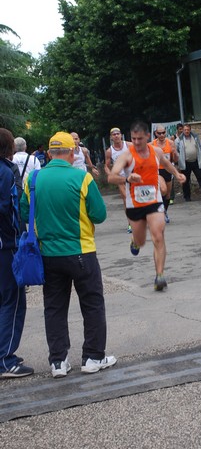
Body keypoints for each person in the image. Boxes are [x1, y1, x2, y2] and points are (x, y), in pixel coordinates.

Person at [20, 132, 116, 379]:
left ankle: (58, 362)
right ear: (72, 153)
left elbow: (23, 213)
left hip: (48, 255)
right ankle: (93, 357)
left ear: (50, 154)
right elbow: (99, 215)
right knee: (92, 304)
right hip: (81, 251)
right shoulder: (82, 178)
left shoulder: (33, 179)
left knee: (54, 307)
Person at [108, 120, 186, 291]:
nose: (136, 142)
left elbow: (167, 165)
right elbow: (111, 177)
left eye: (139, 139)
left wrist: (178, 174)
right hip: (134, 203)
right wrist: (127, 178)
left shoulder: (156, 151)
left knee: (158, 235)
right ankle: (135, 242)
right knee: (141, 241)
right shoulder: (127, 155)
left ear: (147, 137)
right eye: (133, 138)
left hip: (154, 200)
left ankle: (159, 276)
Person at [0, 128, 34, 378]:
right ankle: (5, 358)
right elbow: (10, 209)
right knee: (13, 301)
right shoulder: (5, 172)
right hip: (6, 245)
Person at [104, 127, 131, 231]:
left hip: (132, 175)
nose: (116, 136)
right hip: (120, 177)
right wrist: (110, 174)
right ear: (111, 137)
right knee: (126, 199)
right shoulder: (109, 151)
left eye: (118, 134)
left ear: (121, 135)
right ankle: (130, 223)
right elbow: (106, 166)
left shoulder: (129, 145)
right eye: (114, 134)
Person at [176, 123, 201, 201]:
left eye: (188, 130)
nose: (186, 131)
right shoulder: (179, 139)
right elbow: (176, 150)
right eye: (185, 130)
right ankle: (187, 197)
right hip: (186, 163)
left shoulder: (195, 137)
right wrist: (179, 161)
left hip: (195, 161)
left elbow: (200, 146)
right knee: (186, 180)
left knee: (200, 178)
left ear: (190, 130)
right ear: (183, 130)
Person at [152, 124, 178, 222]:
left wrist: (175, 153)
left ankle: (164, 212)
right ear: (156, 133)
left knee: (167, 194)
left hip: (168, 170)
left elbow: (175, 160)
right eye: (159, 133)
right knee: (163, 189)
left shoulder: (171, 143)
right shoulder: (152, 144)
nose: (162, 135)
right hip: (157, 170)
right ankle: (158, 212)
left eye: (163, 133)